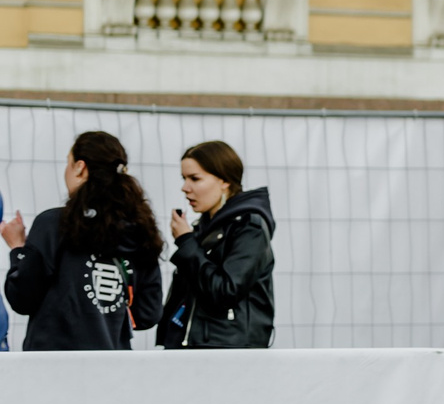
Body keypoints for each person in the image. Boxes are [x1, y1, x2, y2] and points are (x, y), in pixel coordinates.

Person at [1, 130, 164, 349]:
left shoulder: (53, 224)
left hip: (52, 368)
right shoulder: (140, 229)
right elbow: (147, 314)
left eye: (67, 163)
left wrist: (18, 248)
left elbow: (22, 298)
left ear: (80, 167)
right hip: (112, 367)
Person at [159, 140, 275, 350]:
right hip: (193, 348)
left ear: (224, 180)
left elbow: (225, 291)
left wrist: (186, 242)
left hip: (228, 353)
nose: (185, 188)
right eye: (184, 178)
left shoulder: (249, 227)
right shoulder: (204, 228)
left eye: (195, 178)